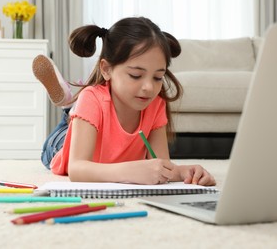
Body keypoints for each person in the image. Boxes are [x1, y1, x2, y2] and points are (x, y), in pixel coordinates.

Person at [32, 17, 216, 186]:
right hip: (61, 148)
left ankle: (71, 105)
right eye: (136, 75)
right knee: (64, 140)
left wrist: (187, 172)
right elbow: (77, 169)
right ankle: (69, 107)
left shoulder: (155, 103)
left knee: (84, 110)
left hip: (93, 119)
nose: (149, 88)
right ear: (106, 69)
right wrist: (129, 171)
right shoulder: (92, 98)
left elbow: (163, 165)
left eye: (158, 77)